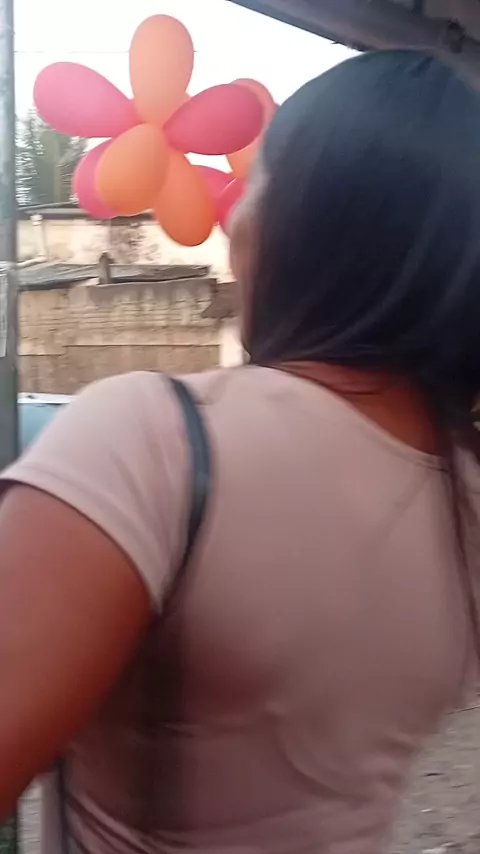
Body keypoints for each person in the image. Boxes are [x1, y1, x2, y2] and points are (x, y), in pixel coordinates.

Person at [1, 49, 480, 854]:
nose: (230, 226)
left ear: (303, 221)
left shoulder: (155, 437)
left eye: (254, 188)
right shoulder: (464, 498)